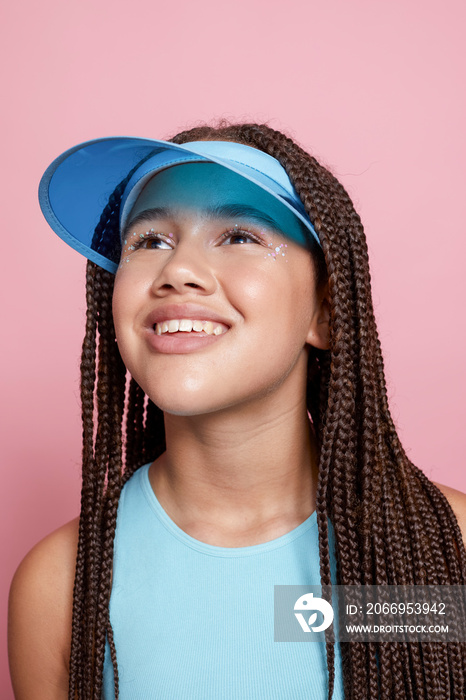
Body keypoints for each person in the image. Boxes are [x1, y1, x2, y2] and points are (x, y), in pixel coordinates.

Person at [8, 122, 466, 700]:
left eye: (240, 236)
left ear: (324, 313)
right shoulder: (62, 583)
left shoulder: (442, 552)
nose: (177, 271)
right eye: (149, 241)